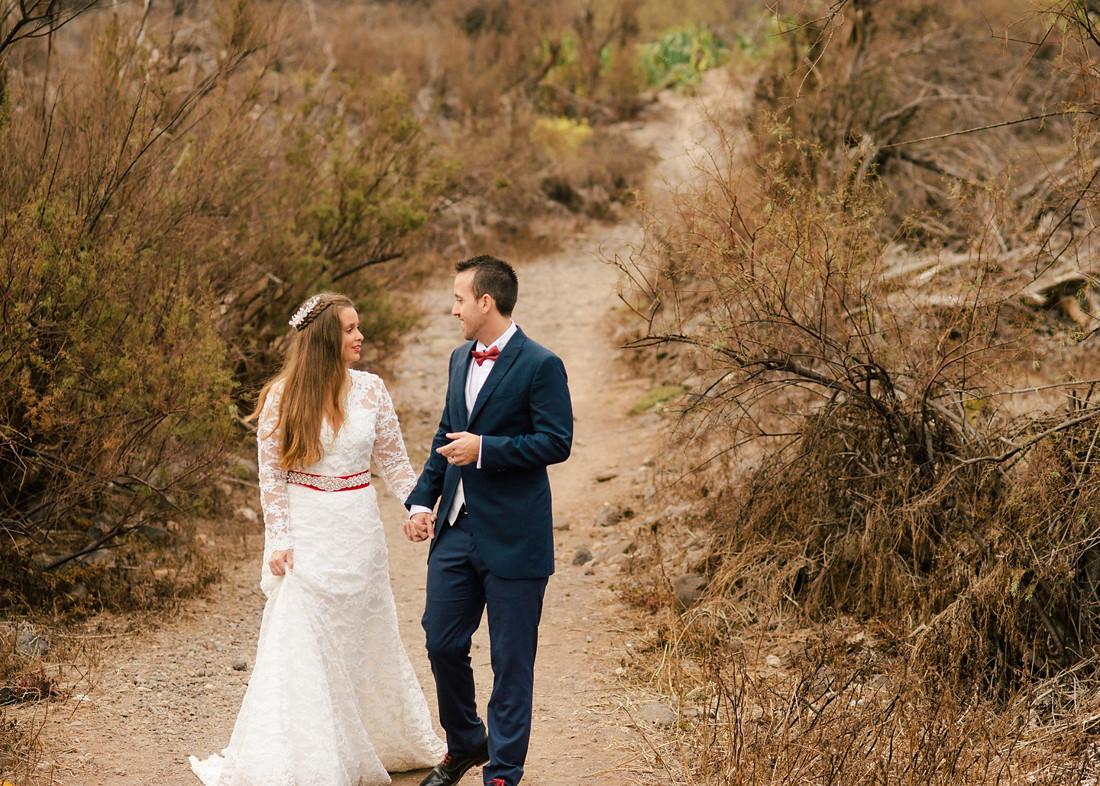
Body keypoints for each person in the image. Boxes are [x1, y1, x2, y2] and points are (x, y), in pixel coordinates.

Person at [190, 292, 444, 786]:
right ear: (327, 338)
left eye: (359, 326)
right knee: (301, 638)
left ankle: (368, 738)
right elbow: (271, 478)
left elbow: (394, 460)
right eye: (349, 328)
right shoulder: (282, 397)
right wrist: (279, 539)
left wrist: (416, 506)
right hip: (308, 534)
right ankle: (309, 755)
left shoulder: (371, 390)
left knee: (364, 635)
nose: (360, 336)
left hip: (359, 527)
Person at [403, 256, 573, 786]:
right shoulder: (459, 359)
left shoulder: (541, 364)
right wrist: (421, 501)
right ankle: (466, 742)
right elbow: (446, 434)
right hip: (456, 531)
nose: (452, 309)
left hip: (515, 537)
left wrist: (485, 449)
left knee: (511, 661)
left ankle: (502, 771)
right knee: (441, 641)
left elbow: (556, 442)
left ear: (485, 302)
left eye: (458, 299)